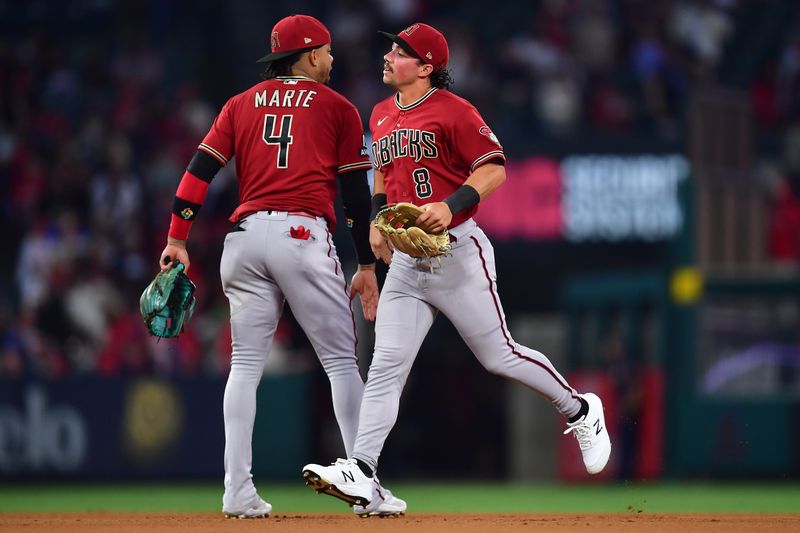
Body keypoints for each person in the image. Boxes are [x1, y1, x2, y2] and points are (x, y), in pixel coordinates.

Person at [302, 22, 612, 510]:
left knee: (499, 356)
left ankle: (579, 410)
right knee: (385, 367)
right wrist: (379, 218)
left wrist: (449, 205)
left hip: (458, 250)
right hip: (407, 263)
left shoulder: (454, 110)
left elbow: (494, 167)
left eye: (399, 52)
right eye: (389, 49)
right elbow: (382, 171)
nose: (387, 56)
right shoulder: (381, 113)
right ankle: (362, 469)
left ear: (426, 67)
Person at [157, 14, 404, 518]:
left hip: (244, 239)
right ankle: (366, 486)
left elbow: (199, 170)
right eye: (328, 52)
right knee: (339, 362)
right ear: (310, 54)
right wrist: (363, 263)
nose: (333, 60)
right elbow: (355, 193)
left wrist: (176, 238)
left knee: (244, 367)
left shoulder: (239, 104)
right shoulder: (337, 106)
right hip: (301, 234)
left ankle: (236, 491)